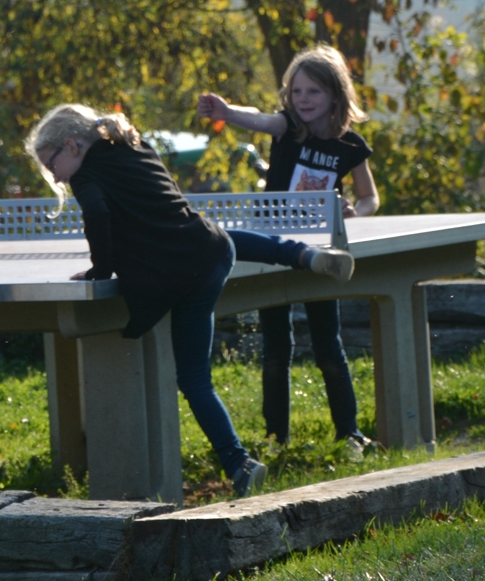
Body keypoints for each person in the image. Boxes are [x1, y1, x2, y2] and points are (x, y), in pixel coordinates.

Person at [26, 103, 353, 497]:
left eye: (51, 164)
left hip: (178, 274)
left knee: (196, 380)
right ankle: (301, 254)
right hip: (211, 251)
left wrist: (100, 269)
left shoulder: (87, 177)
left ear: (72, 146)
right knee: (221, 236)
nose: (52, 175)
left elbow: (97, 213)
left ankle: (240, 463)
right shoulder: (136, 145)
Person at [196, 44, 378, 453]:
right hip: (273, 247)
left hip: (320, 253)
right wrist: (226, 113)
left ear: (334, 94)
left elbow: (369, 198)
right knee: (276, 347)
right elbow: (257, 119)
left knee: (327, 343)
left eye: (313, 92)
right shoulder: (287, 127)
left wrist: (354, 214)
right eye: (297, 92)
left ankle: (348, 433)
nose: (304, 100)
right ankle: (276, 436)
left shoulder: (350, 145)